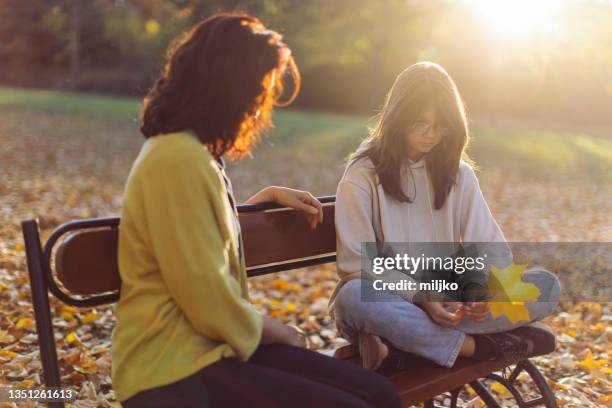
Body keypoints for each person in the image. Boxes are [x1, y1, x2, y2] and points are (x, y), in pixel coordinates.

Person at [112, 13, 400, 408]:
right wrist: (274, 331)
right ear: (227, 87)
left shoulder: (197, 156)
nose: (260, 106)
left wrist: (257, 203)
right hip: (171, 368)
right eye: (258, 90)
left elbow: (197, 245)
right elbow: (203, 293)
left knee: (379, 393)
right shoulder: (175, 158)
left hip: (215, 350)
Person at [330, 62, 560, 370]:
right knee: (355, 297)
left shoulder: (458, 174)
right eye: (419, 122)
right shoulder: (362, 174)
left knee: (545, 285)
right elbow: (357, 264)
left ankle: (404, 345)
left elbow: (489, 244)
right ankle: (476, 347)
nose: (430, 133)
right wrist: (422, 296)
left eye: (441, 125)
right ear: (397, 118)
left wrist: (479, 288)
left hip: (451, 296)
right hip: (393, 299)